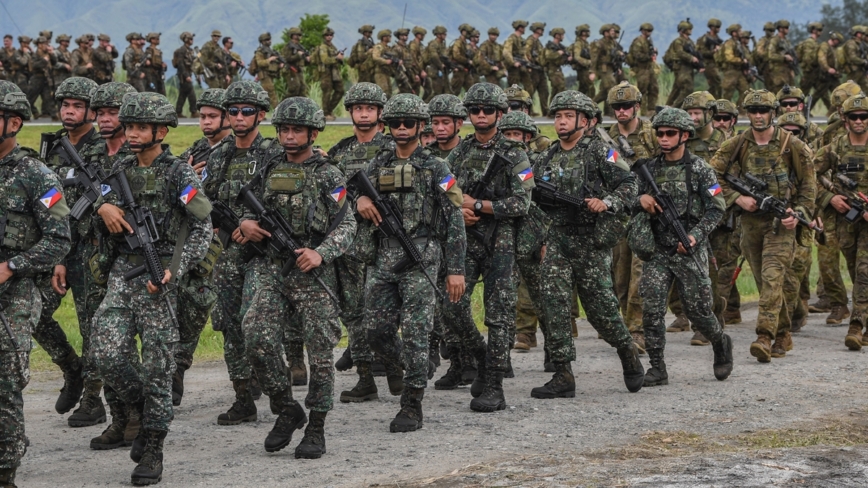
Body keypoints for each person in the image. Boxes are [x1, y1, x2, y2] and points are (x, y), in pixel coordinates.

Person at [92, 92, 212, 485]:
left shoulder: (179, 174)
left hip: (159, 278)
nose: (132, 133)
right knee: (105, 352)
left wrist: (175, 269)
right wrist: (102, 207)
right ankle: (142, 406)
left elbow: (202, 227)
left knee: (159, 366)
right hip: (122, 272)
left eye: (141, 127)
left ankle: (154, 447)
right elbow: (93, 203)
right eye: (129, 126)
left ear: (161, 131)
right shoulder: (119, 167)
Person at [236, 96, 354, 456]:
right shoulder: (269, 167)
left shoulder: (329, 174)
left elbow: (348, 224)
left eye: (296, 130)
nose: (288, 136)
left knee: (320, 353)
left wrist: (321, 253)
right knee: (255, 336)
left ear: (313, 133)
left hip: (312, 272)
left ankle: (316, 426)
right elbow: (246, 206)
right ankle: (287, 407)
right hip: (272, 268)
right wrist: (246, 224)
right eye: (284, 129)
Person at [356, 93, 466, 431]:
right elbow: (344, 191)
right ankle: (408, 366)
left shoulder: (436, 167)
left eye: (408, 123)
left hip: (421, 258)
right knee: (375, 332)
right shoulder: (378, 164)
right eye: (395, 123)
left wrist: (455, 270)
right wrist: (359, 199)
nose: (401, 128)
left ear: (421, 126)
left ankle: (412, 403)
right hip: (383, 259)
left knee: (418, 331)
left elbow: (455, 218)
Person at [530, 89, 644, 399]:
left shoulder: (601, 152)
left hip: (590, 241)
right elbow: (532, 197)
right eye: (558, 116)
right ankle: (563, 373)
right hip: (558, 239)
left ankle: (627, 350)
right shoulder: (547, 156)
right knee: (554, 304)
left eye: (569, 116)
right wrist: (541, 239)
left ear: (586, 120)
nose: (561, 121)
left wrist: (606, 202)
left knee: (601, 310)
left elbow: (629, 184)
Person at [443, 83, 533, 412]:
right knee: (450, 307)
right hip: (465, 241)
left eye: (488, 110)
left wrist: (479, 206)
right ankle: (481, 357)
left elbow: (522, 202)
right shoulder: (459, 152)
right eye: (475, 110)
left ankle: (495, 384)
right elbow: (444, 185)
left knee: (498, 315)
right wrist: (458, 209)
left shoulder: (516, 153)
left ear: (500, 114)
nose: (481, 115)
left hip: (501, 242)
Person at [0, 81, 71, 488]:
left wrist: (12, 265)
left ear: (13, 124)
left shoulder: (36, 175)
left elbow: (60, 239)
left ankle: (5, 469)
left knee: (5, 378)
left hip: (16, 290)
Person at [710, 89, 815, 362]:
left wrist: (799, 212)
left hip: (781, 224)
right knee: (763, 280)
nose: (758, 116)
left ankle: (764, 336)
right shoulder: (736, 144)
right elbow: (709, 180)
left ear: (774, 112)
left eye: (764, 111)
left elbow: (808, 187)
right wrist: (737, 198)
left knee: (772, 277)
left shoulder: (793, 146)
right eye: (753, 111)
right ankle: (783, 333)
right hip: (750, 224)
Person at [632, 107, 733, 386]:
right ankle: (657, 367)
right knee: (651, 308)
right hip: (658, 249)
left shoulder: (700, 169)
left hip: (689, 248)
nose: (664, 138)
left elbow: (717, 208)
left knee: (699, 311)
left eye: (670, 133)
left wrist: (694, 236)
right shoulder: (649, 169)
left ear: (685, 136)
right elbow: (626, 197)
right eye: (660, 133)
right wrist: (641, 200)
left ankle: (720, 342)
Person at [203, 81, 280, 425]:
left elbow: (285, 202)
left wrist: (253, 223)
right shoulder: (219, 156)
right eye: (232, 111)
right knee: (231, 327)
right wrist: (227, 222)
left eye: (247, 111)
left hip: (263, 255)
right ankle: (243, 397)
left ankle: (279, 391)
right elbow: (205, 200)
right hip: (227, 255)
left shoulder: (274, 154)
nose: (238, 117)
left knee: (258, 325)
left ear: (260, 115)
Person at [71, 82, 141, 449]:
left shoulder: (139, 152)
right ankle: (118, 417)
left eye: (113, 112)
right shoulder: (90, 153)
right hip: (92, 258)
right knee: (98, 340)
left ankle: (138, 413)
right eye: (99, 113)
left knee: (123, 342)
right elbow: (70, 203)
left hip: (129, 259)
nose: (105, 119)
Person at [325, 83, 398, 402]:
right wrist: (354, 201)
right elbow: (331, 192)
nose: (364, 114)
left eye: (370, 108)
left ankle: (395, 365)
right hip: (350, 246)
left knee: (384, 312)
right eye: (358, 108)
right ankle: (365, 378)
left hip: (386, 242)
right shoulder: (340, 152)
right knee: (354, 313)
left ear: (380, 113)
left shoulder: (393, 148)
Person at [605, 81, 658, 352]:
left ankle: (637, 330)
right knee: (619, 274)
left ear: (637, 106)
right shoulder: (606, 137)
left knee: (640, 274)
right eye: (617, 107)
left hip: (646, 215)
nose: (622, 111)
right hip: (619, 213)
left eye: (626, 106)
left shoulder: (652, 134)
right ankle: (623, 327)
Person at [813, 94, 868, 351]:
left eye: (864, 116)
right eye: (854, 117)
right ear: (845, 120)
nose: (859, 121)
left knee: (864, 271)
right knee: (856, 270)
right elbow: (806, 174)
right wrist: (829, 197)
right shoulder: (834, 149)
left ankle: (856, 325)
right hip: (846, 221)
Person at [664, 20, 703, 108]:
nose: (691, 30)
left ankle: (666, 107)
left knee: (676, 89)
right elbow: (680, 53)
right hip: (681, 67)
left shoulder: (690, 41)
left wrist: (699, 65)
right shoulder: (678, 41)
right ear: (683, 30)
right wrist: (691, 58)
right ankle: (675, 107)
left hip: (688, 68)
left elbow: (695, 53)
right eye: (688, 29)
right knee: (687, 88)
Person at [312, 28, 345, 121]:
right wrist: (336, 58)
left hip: (334, 72)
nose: (329, 37)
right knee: (327, 92)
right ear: (324, 36)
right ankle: (326, 113)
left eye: (331, 35)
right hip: (325, 73)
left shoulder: (332, 47)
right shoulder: (323, 47)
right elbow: (325, 60)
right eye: (327, 35)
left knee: (340, 90)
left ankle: (329, 110)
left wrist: (339, 57)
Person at [628, 23, 658, 116]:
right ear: (643, 31)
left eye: (650, 31)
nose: (649, 33)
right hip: (641, 69)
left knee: (654, 88)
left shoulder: (648, 41)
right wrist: (649, 56)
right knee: (643, 91)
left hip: (649, 68)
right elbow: (638, 55)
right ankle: (643, 113)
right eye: (648, 31)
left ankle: (651, 110)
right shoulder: (638, 41)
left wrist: (654, 52)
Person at [253, 32, 284, 108]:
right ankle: (277, 110)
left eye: (269, 39)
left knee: (265, 94)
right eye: (267, 40)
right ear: (262, 41)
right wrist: (269, 59)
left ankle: (259, 109)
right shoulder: (260, 52)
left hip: (270, 74)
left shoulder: (271, 51)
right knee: (271, 92)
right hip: (264, 74)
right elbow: (260, 63)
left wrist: (279, 65)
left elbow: (274, 63)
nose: (269, 41)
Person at [172, 32, 198, 118]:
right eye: (190, 39)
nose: (192, 40)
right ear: (186, 40)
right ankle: (193, 111)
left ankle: (178, 112)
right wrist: (186, 75)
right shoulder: (182, 50)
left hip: (188, 74)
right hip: (183, 76)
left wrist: (196, 75)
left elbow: (192, 64)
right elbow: (180, 64)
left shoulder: (190, 50)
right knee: (191, 93)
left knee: (183, 94)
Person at [696, 19, 723, 98]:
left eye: (719, 27)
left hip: (715, 64)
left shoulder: (717, 39)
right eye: (717, 27)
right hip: (708, 64)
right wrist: (713, 51)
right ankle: (718, 100)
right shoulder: (704, 39)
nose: (719, 29)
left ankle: (705, 98)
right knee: (718, 82)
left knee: (714, 86)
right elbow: (701, 53)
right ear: (712, 27)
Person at [282, 27, 310, 99]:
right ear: (292, 35)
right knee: (294, 88)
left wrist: (307, 59)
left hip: (299, 70)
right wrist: (298, 55)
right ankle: (284, 103)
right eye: (297, 35)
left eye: (299, 35)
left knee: (302, 89)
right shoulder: (288, 47)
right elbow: (286, 59)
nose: (298, 37)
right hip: (291, 70)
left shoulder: (300, 47)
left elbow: (304, 61)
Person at [569, 25, 595, 99]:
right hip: (581, 69)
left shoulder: (586, 43)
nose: (585, 34)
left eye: (586, 32)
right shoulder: (578, 43)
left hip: (585, 69)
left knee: (583, 89)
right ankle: (591, 104)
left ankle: (575, 103)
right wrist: (588, 62)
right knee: (590, 88)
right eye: (584, 32)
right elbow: (577, 57)